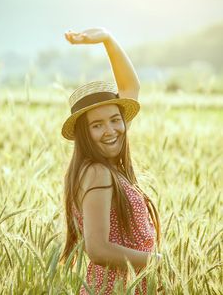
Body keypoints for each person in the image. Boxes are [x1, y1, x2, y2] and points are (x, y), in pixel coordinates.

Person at [59, 27, 163, 294]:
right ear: (84, 133)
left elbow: (131, 87)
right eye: (97, 125)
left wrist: (107, 39)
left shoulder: (108, 168)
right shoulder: (96, 173)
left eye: (116, 120)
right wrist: (159, 263)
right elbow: (98, 249)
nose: (110, 130)